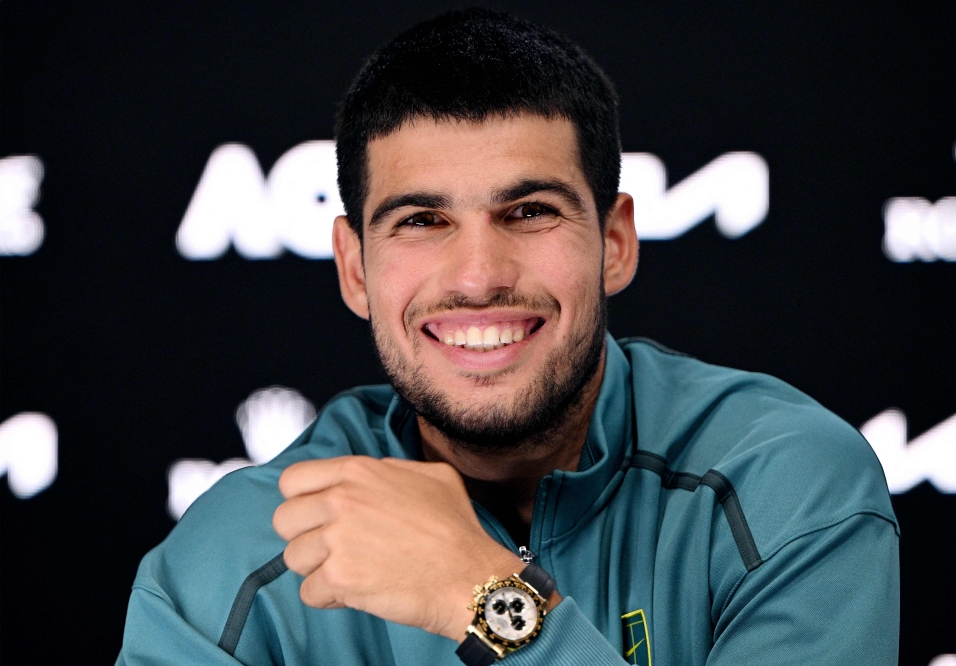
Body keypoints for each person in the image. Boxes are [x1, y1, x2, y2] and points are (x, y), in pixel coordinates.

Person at [118, 8, 899, 665]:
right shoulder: (239, 558)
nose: (478, 275)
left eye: (529, 212)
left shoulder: (788, 485)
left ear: (615, 242)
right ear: (355, 270)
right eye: (422, 221)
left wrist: (482, 595)